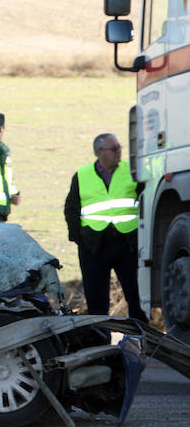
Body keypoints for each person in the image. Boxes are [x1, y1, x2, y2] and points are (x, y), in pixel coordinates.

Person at [64, 133, 146, 322]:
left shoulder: (132, 171)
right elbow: (71, 209)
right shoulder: (82, 175)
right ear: (99, 152)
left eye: (119, 147)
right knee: (96, 302)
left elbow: (145, 201)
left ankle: (141, 343)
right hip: (94, 247)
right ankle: (101, 345)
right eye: (114, 148)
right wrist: (79, 239)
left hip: (128, 245)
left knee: (137, 298)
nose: (119, 152)